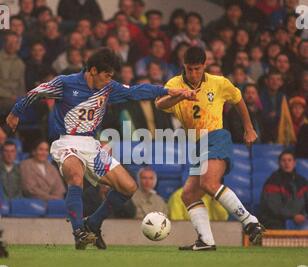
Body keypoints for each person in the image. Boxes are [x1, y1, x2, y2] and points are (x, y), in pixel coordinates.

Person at [6, 48, 195, 250]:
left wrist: (167, 91)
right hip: (67, 143)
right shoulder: (65, 83)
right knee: (75, 178)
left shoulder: (109, 87)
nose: (109, 79)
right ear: (93, 70)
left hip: (92, 145)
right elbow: (36, 92)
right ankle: (79, 231)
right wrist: (15, 113)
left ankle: (93, 223)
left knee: (128, 187)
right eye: (106, 75)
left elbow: (136, 91)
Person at [156, 47, 265, 251]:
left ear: (204, 66)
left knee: (208, 182)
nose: (193, 74)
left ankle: (250, 221)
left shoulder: (219, 82)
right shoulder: (174, 84)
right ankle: (206, 241)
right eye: (189, 69)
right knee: (188, 194)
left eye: (197, 69)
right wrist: (180, 96)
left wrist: (248, 128)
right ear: (184, 67)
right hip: (197, 145)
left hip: (217, 137)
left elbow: (238, 99)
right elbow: (160, 104)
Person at [259, 151, 308, 230]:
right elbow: (274, 208)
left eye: (289, 160)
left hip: (299, 219)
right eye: (283, 160)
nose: (287, 163)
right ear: (279, 163)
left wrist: (304, 216)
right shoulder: (272, 181)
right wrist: (293, 216)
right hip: (276, 220)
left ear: (294, 163)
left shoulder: (302, 182)